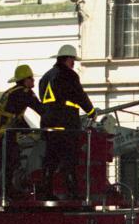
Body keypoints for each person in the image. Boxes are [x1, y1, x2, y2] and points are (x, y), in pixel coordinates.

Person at [37, 45, 99, 201]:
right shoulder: (69, 75)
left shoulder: (45, 77)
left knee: (50, 159)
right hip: (66, 124)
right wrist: (91, 111)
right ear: (67, 59)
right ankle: (72, 192)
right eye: (73, 60)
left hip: (49, 124)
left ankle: (46, 191)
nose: (74, 64)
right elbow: (79, 94)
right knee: (69, 159)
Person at [0, 64, 45, 201]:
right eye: (31, 78)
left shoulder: (11, 92)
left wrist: (29, 130)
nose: (33, 82)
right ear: (25, 80)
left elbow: (16, 116)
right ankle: (8, 191)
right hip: (5, 131)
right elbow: (41, 109)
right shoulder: (25, 93)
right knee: (11, 160)